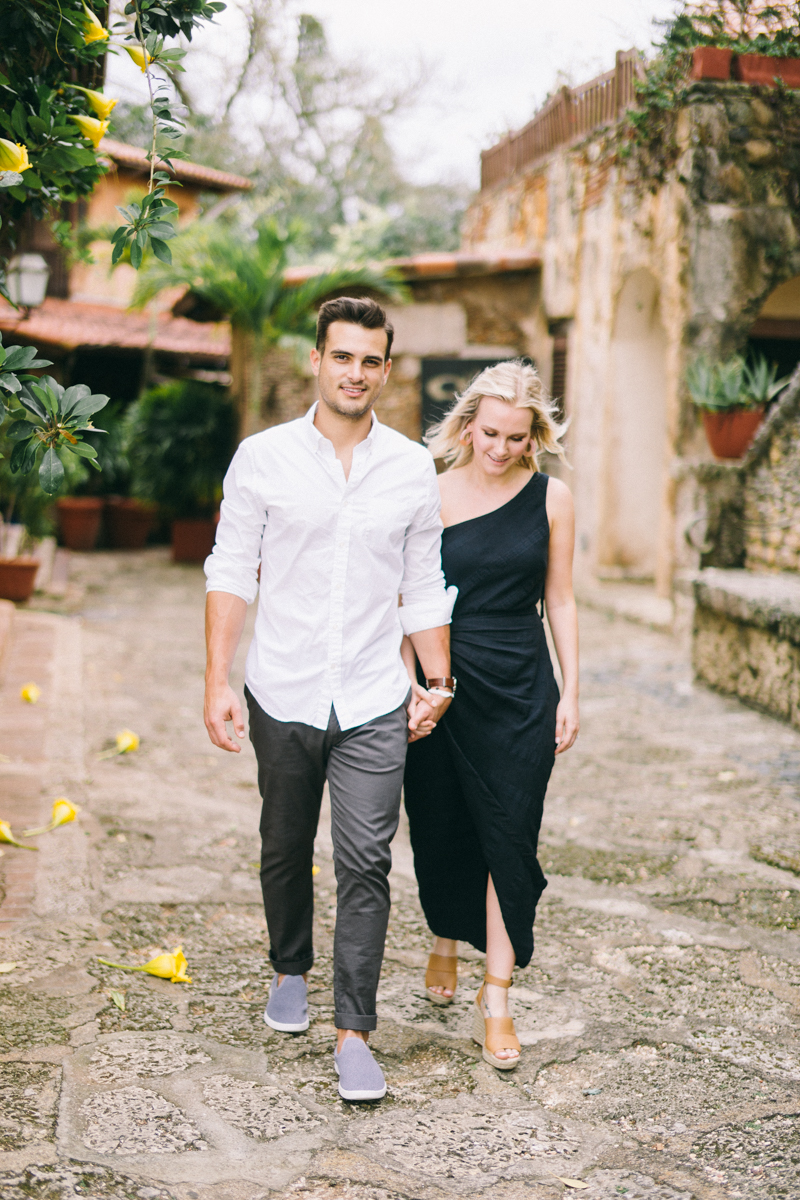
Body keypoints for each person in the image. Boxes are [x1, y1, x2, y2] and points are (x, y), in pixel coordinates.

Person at [203, 296, 455, 1102]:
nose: (356, 372)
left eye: (371, 360)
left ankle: (354, 1034)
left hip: (376, 696)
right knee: (283, 845)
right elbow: (230, 569)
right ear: (317, 360)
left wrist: (437, 681)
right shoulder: (263, 458)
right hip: (282, 687)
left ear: (387, 368)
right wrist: (217, 679)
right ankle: (288, 966)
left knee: (366, 863)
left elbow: (422, 585)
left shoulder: (413, 468)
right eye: (342, 356)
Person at [402, 358, 579, 1071]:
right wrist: (407, 684)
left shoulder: (553, 498)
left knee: (509, 832)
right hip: (442, 676)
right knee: (443, 825)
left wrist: (575, 690)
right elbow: (405, 596)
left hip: (520, 683)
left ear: (534, 435)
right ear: (468, 426)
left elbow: (559, 598)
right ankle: (446, 936)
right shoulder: (429, 491)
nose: (502, 450)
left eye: (517, 437)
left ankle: (496, 995)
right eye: (491, 434)